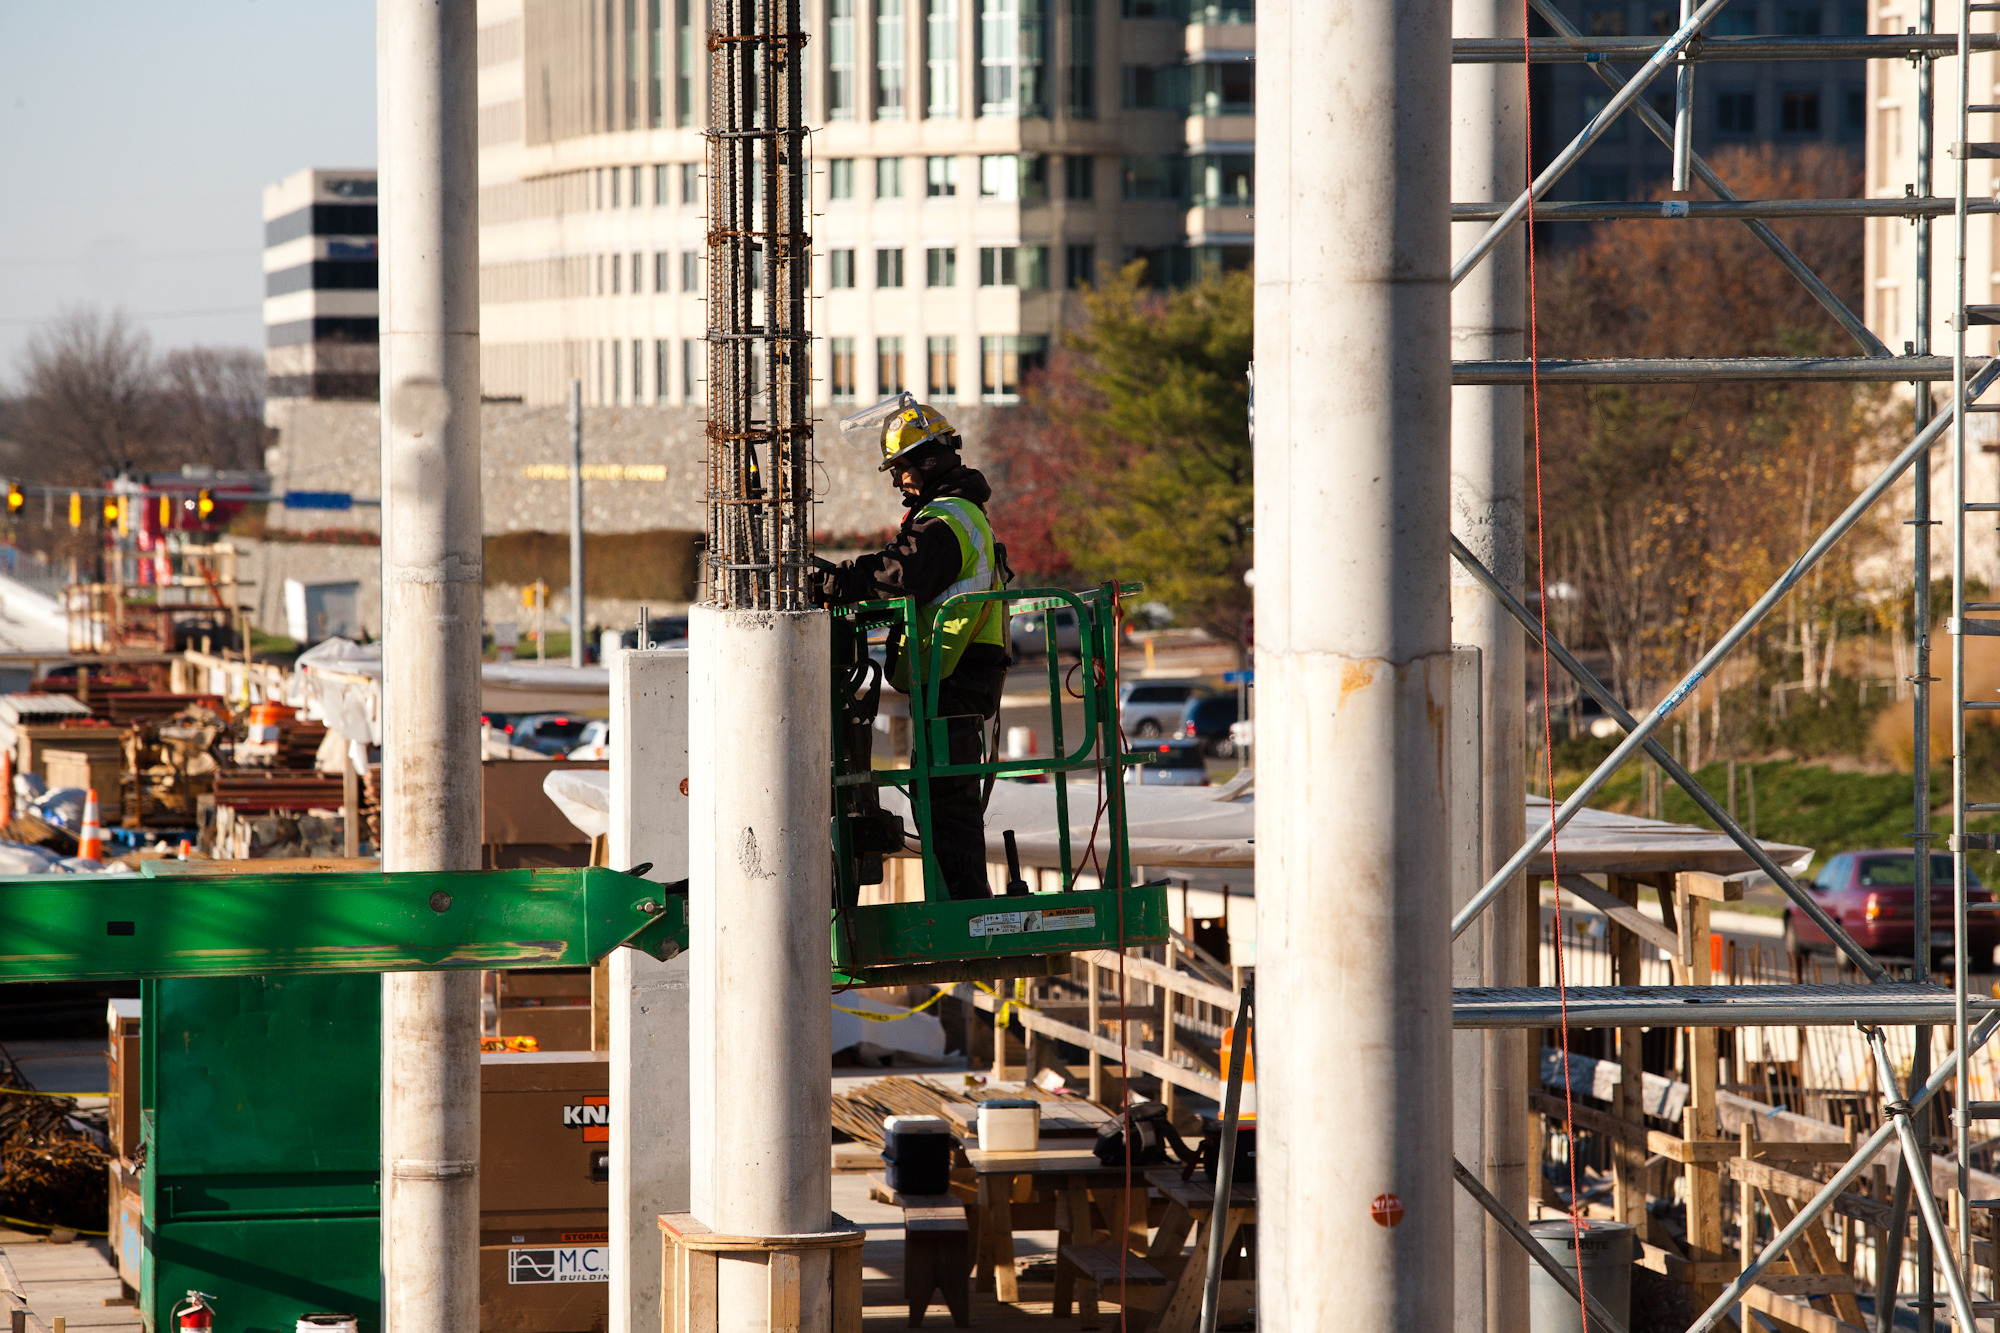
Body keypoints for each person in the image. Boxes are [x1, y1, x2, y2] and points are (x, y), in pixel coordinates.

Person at [817, 402, 1008, 901]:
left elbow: (898, 575)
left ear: (928, 460)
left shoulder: (946, 522)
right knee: (939, 796)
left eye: (901, 468)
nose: (898, 480)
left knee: (946, 800)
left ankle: (966, 905)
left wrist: (837, 582)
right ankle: (962, 899)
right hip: (957, 678)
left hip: (957, 677)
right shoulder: (955, 515)